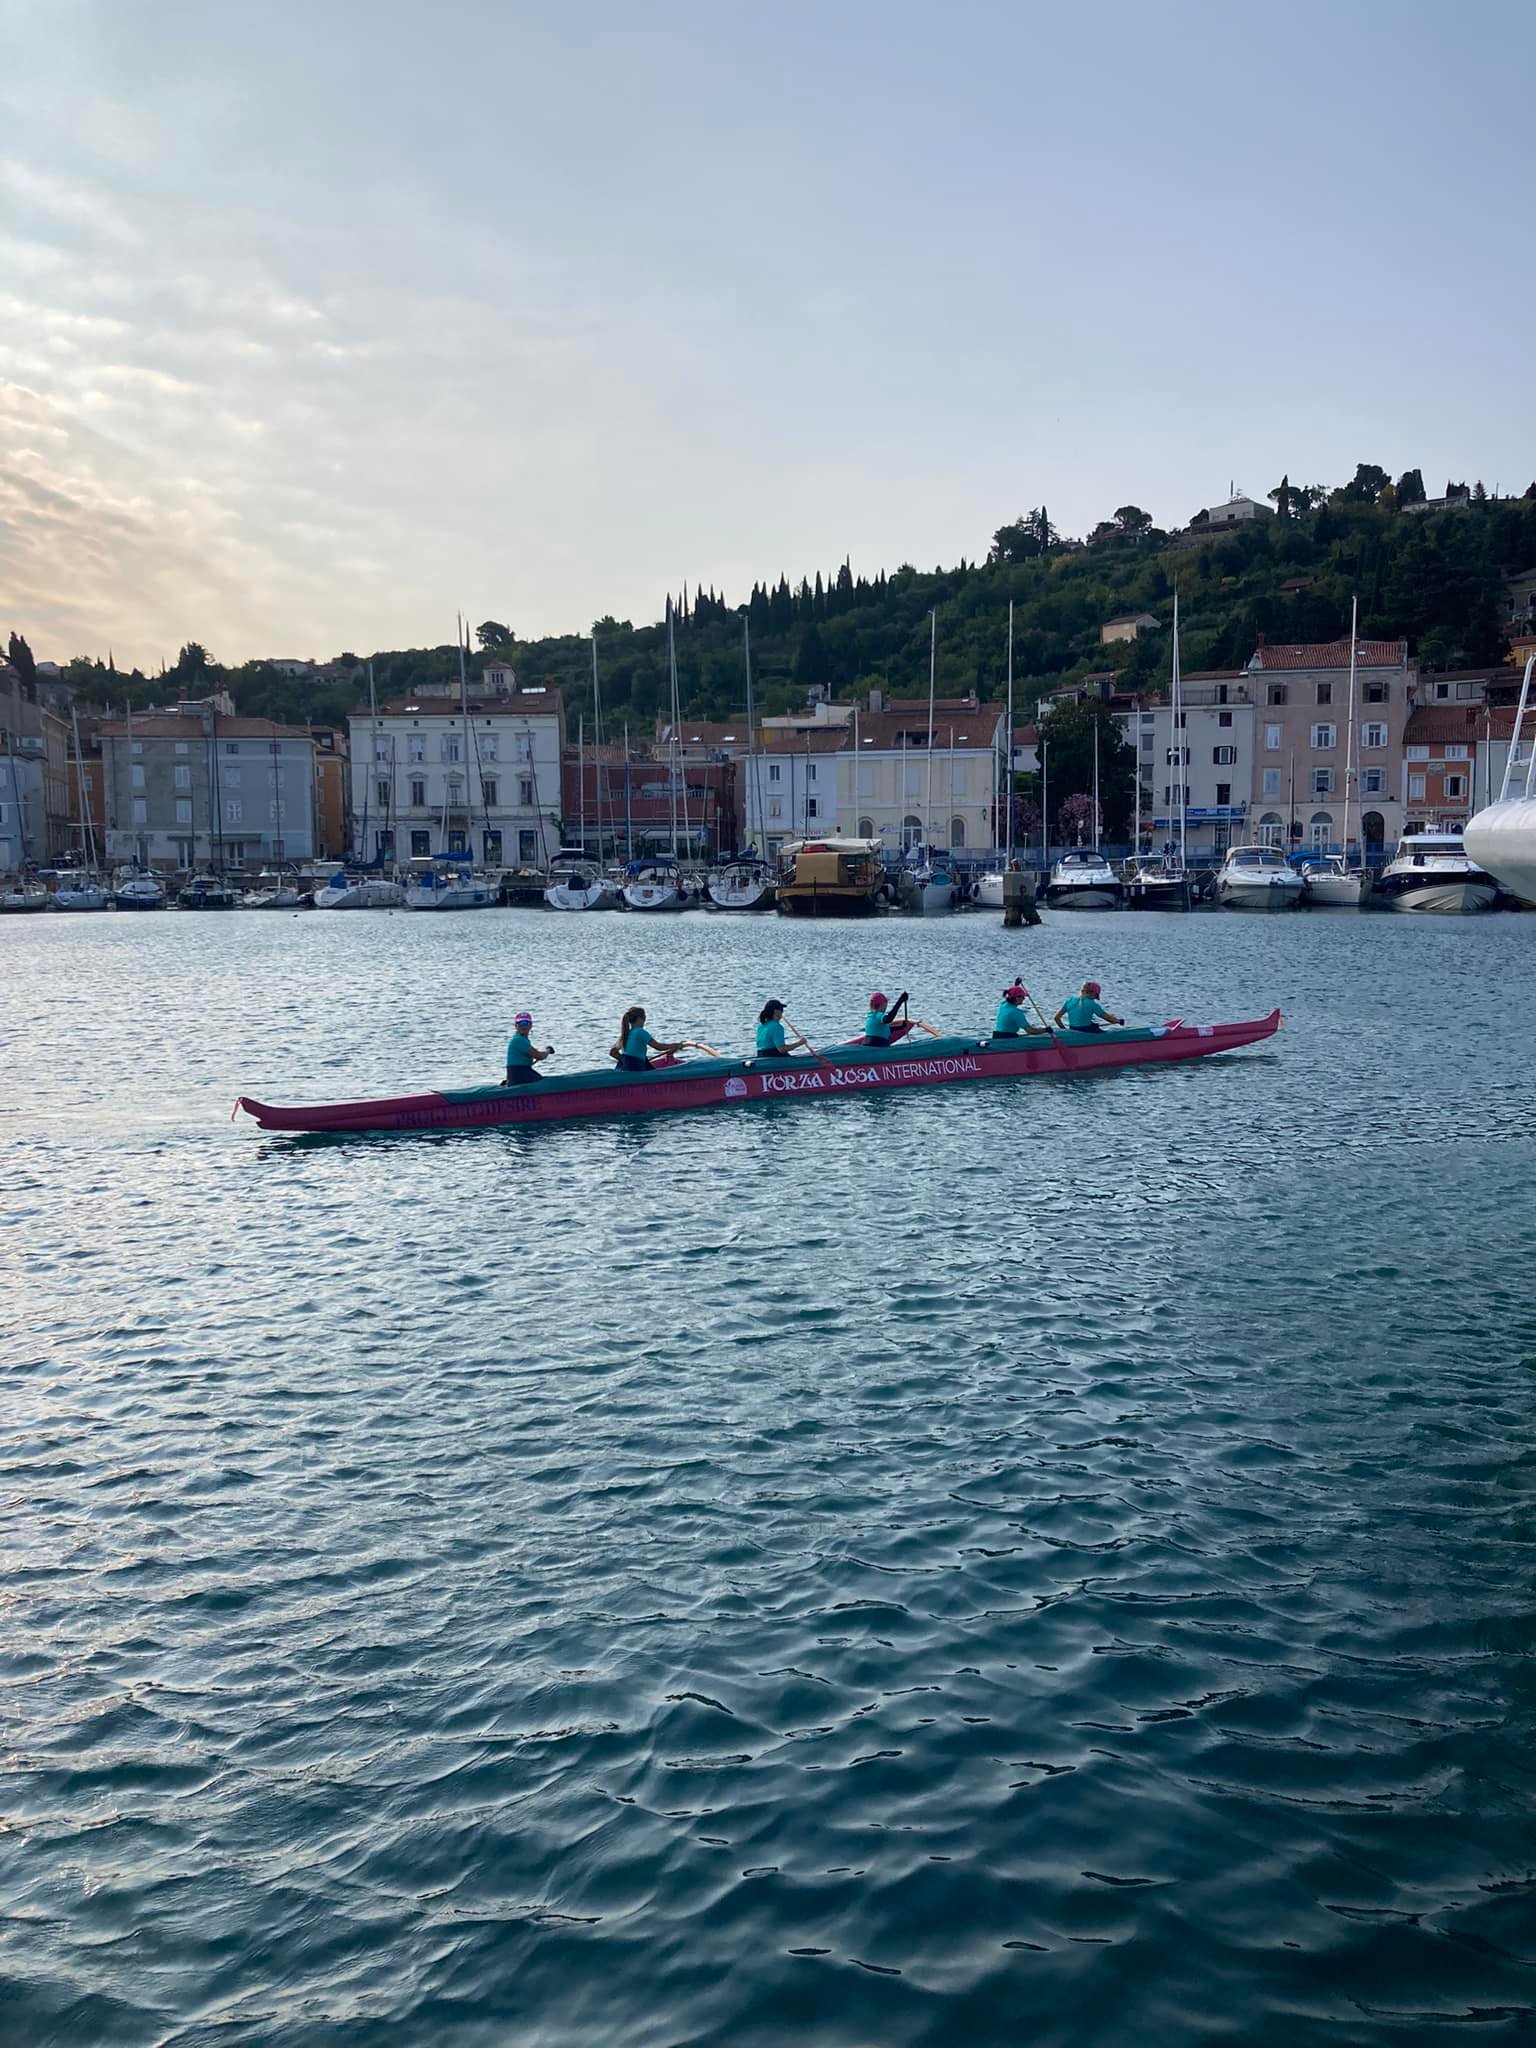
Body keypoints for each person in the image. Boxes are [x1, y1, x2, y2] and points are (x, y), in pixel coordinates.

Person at [611, 1004, 688, 1072]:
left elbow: (613, 1053)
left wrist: (625, 1060)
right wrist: (677, 1045)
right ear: (640, 1019)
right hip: (636, 1069)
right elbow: (658, 1047)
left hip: (622, 1067)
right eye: (644, 1017)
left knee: (646, 1063)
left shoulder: (625, 1034)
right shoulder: (640, 1032)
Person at [1053, 980, 1124, 1032]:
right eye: (1096, 996)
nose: (1094, 999)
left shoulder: (1070, 1001)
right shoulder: (1092, 1004)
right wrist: (1118, 1021)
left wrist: (1066, 1031)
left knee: (1093, 1024)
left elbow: (1056, 1018)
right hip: (1087, 1030)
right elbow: (1108, 1018)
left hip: (1073, 1030)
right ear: (1092, 993)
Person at [504, 1011, 553, 1083]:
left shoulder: (523, 1040)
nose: (523, 1026)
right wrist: (548, 1051)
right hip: (519, 1073)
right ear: (515, 1025)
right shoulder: (518, 1040)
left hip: (522, 1072)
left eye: (525, 1023)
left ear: (530, 1025)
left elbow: (533, 1054)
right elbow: (539, 1056)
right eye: (520, 1023)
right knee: (544, 1082)